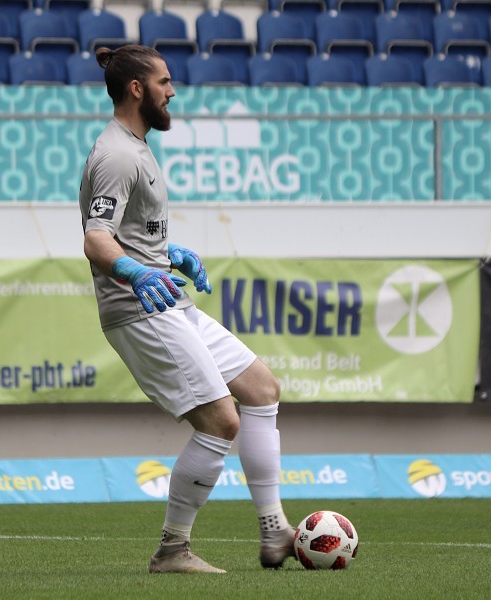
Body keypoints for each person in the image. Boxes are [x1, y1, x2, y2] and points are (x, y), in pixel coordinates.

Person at [78, 45, 295, 574]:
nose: (173, 91)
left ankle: (275, 533)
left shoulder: (137, 147)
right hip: (139, 311)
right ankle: (172, 550)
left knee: (261, 388)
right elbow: (97, 240)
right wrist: (135, 271)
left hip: (165, 300)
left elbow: (127, 233)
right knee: (221, 421)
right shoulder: (116, 155)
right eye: (165, 82)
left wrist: (164, 255)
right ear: (138, 89)